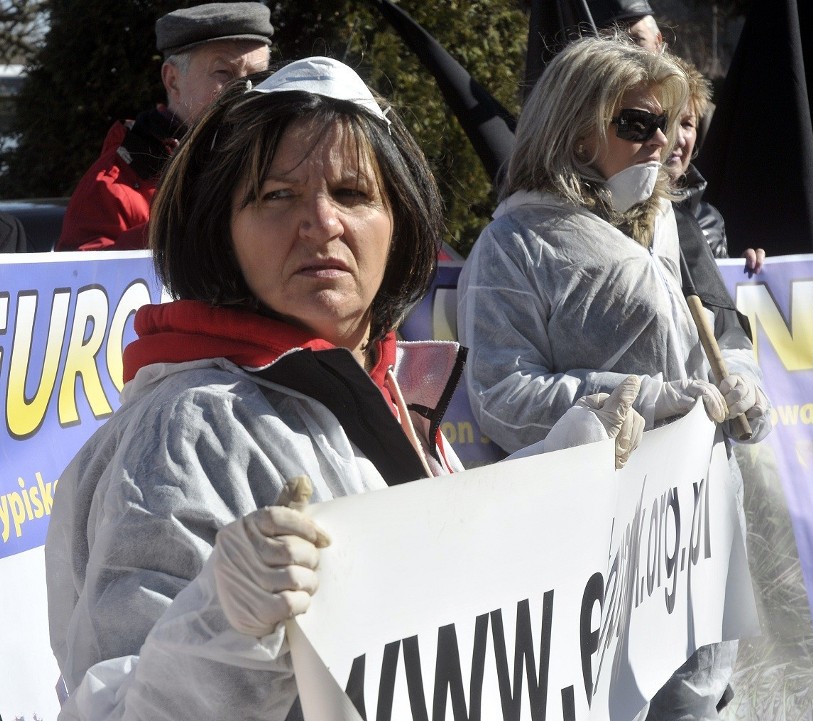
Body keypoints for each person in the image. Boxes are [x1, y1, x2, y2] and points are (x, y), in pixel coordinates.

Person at [46, 55, 645, 721]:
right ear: (224, 229)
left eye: (355, 194)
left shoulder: (380, 383)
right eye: (277, 196)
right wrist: (224, 625)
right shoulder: (186, 434)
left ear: (401, 222)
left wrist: (573, 463)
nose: (321, 223)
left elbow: (443, 590)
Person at [456, 35, 772, 720]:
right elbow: (501, 397)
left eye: (668, 122)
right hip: (596, 556)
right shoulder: (513, 246)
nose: (662, 142)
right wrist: (638, 401)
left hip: (698, 535)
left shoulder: (668, 223)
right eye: (637, 122)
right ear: (574, 131)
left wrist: (742, 379)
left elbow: (721, 329)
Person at [56, 2, 273, 252]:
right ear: (173, 80)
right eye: (223, 72)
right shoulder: (111, 186)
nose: (245, 90)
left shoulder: (281, 162)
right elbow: (81, 280)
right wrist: (180, 230)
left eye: (257, 76)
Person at [668, 57, 765, 274]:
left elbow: (719, 301)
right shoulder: (614, 218)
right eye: (665, 121)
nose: (678, 138)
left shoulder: (710, 220)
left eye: (686, 124)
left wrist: (743, 274)